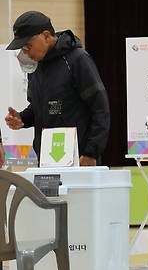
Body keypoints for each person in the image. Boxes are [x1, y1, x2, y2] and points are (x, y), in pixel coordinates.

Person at [4, 11, 110, 166]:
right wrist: (22, 119)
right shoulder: (36, 67)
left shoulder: (78, 60)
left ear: (46, 36)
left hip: (80, 159)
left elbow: (101, 108)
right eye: (22, 48)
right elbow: (38, 108)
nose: (26, 52)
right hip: (47, 160)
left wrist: (91, 152)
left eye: (28, 45)